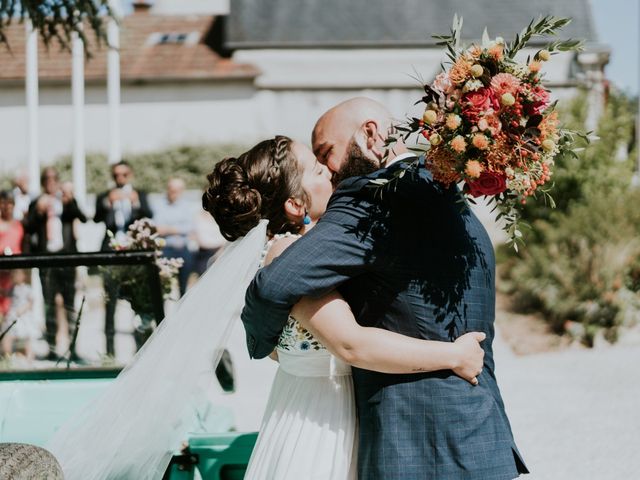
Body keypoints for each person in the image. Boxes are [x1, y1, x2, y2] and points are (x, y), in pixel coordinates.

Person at [47, 136, 486, 480]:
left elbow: (277, 349)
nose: (331, 170)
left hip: (305, 406)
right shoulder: (292, 260)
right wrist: (454, 355)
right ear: (295, 205)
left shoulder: (281, 254)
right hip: (321, 428)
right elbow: (350, 346)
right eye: (317, 169)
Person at [241, 99, 528, 479]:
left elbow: (274, 284)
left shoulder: (371, 199)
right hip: (480, 430)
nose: (327, 169)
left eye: (327, 153)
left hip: (416, 442)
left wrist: (262, 344)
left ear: (370, 134)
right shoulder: (444, 189)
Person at [24, 169, 87, 361]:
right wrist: (38, 211)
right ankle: (51, 349)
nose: (51, 182)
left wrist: (71, 200)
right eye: (47, 179)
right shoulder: (37, 201)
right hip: (47, 258)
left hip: (67, 256)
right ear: (43, 182)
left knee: (70, 303)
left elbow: (83, 217)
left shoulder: (65, 200)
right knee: (49, 303)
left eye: (54, 179)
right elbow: (28, 227)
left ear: (58, 181)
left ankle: (73, 348)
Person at [94, 160, 153, 356]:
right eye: (116, 175)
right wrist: (107, 203)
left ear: (130, 174)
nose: (120, 179)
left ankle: (142, 348)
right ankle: (109, 352)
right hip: (111, 251)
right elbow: (95, 218)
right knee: (110, 301)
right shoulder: (105, 195)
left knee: (138, 301)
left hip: (133, 252)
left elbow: (149, 215)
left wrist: (135, 202)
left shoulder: (140, 194)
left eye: (124, 175)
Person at [154, 177, 193, 296]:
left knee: (184, 286)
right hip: (166, 249)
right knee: (163, 286)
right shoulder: (159, 204)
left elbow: (190, 228)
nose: (173, 192)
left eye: (177, 190)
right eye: (171, 189)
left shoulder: (187, 205)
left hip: (182, 249)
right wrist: (178, 229)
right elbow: (157, 228)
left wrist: (169, 229)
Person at [0, 190, 25, 353]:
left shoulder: (18, 225)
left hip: (14, 276)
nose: (7, 206)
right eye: (3, 203)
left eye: (10, 203)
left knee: (11, 315)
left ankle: (8, 354)